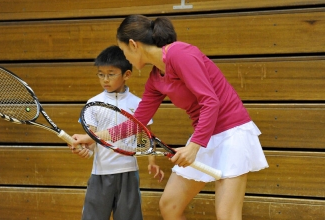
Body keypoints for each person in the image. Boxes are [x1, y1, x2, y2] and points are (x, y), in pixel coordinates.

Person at [73, 15, 268, 220]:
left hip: (232, 133)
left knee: (227, 215)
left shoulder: (180, 54)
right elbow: (135, 124)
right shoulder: (156, 78)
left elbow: (211, 101)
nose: (126, 58)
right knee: (169, 206)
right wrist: (92, 137)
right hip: (205, 136)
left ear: (133, 45)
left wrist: (194, 146)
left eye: (124, 52)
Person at [71, 45, 164, 220]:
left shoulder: (138, 104)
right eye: (101, 74)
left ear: (126, 75)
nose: (105, 79)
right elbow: (91, 140)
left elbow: (145, 137)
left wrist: (152, 160)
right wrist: (85, 150)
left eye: (111, 74)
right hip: (100, 174)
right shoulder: (93, 103)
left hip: (128, 173)